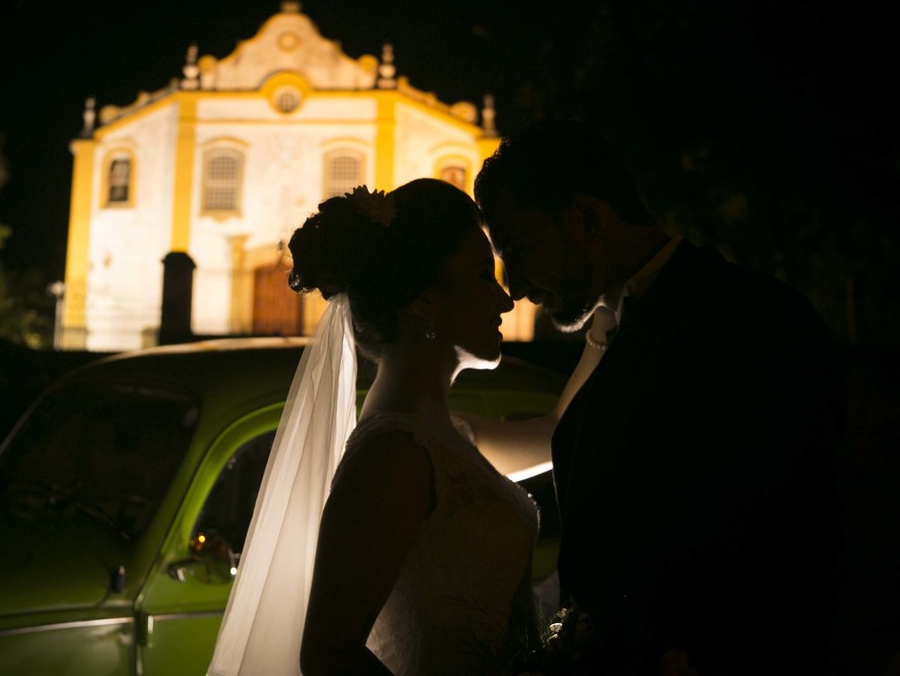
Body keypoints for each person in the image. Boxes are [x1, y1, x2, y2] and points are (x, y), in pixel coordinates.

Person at [473, 119, 847, 676]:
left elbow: (789, 538)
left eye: (521, 250)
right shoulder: (611, 328)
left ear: (587, 220)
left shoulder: (752, 322)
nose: (517, 286)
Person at [208, 178, 543, 676]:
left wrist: (606, 314)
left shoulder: (447, 435)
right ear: (426, 302)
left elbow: (557, 430)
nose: (506, 300)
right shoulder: (393, 457)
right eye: (480, 276)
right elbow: (328, 653)